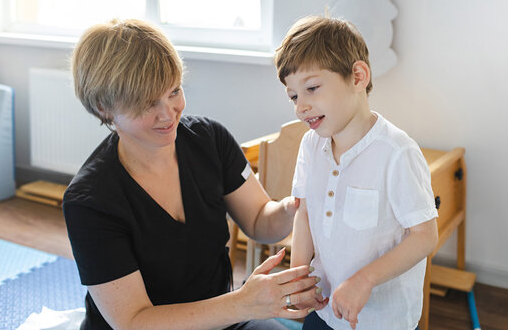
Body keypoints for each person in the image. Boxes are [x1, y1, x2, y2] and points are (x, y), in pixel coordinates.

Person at [63, 19, 323, 330]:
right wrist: (243, 303)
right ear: (105, 107)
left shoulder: (210, 140)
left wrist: (296, 204)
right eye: (148, 104)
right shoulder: (90, 201)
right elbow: (133, 322)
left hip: (222, 320)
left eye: (174, 91)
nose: (167, 114)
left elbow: (259, 220)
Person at [273, 16, 439, 330]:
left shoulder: (397, 152)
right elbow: (305, 213)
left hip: (383, 321)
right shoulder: (311, 145)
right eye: (294, 96)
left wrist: (364, 280)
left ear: (358, 76)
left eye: (312, 88)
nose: (301, 107)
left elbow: (424, 236)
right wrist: (298, 280)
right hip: (323, 311)